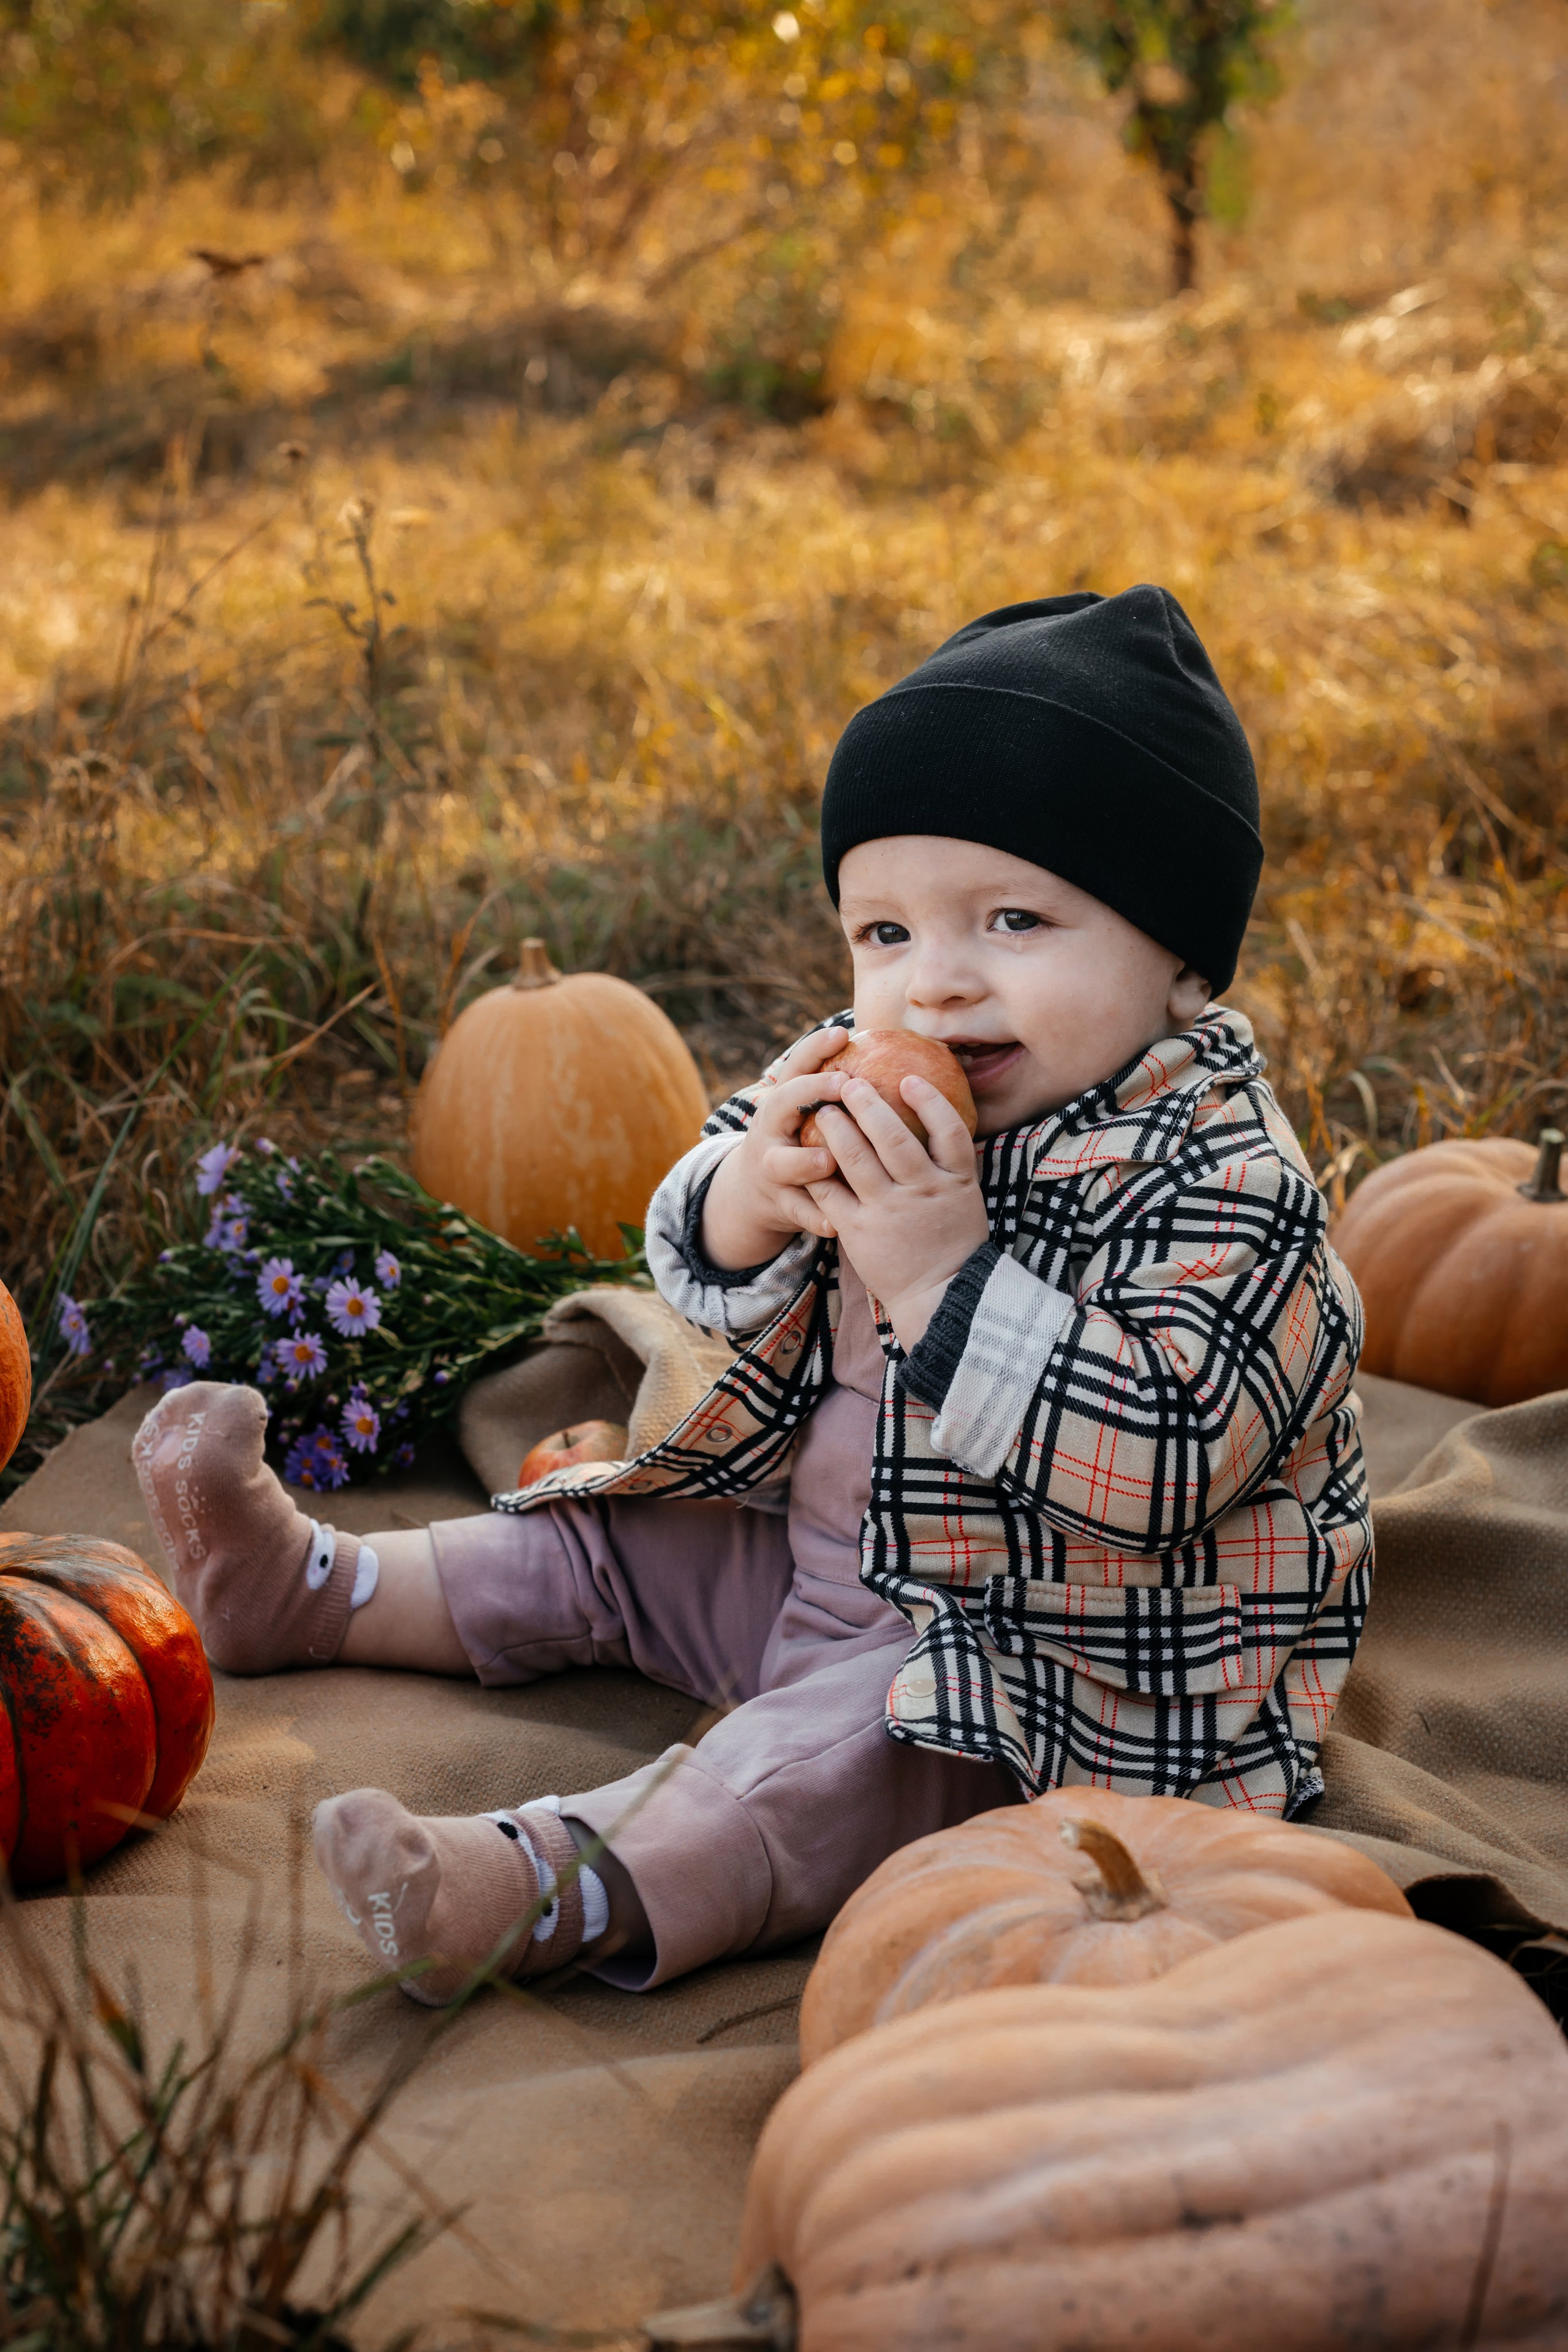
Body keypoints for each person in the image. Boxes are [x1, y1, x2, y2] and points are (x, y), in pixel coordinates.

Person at [133, 585, 1370, 2005]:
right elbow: (693, 1248)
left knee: (808, 1770)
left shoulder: (1228, 1194)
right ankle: (304, 1585)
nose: (933, 987)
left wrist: (937, 1273)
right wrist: (742, 1203)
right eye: (884, 932)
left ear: (1180, 966)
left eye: (1012, 920)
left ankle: (535, 1882)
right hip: (819, 1561)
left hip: (1034, 1675)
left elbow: (1155, 1461)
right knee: (605, 1544)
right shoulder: (863, 1063)